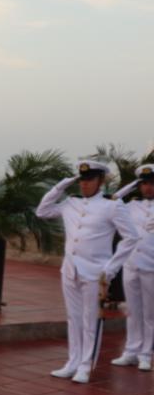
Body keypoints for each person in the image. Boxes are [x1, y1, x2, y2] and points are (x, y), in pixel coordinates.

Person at [36, 160, 140, 383]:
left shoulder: (112, 205)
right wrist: (62, 185)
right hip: (70, 270)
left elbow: (131, 237)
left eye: (89, 180)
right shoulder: (70, 202)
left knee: (90, 320)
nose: (84, 184)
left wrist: (110, 268)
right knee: (73, 318)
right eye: (81, 180)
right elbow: (42, 211)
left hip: (95, 273)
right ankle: (72, 362)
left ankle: (85, 365)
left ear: (100, 181)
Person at [110, 164, 154, 371]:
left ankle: (146, 354)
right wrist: (131, 185)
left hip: (152, 266)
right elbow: (111, 202)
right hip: (131, 264)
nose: (148, 188)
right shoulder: (131, 206)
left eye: (151, 183)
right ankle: (131, 351)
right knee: (133, 311)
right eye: (144, 184)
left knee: (150, 314)